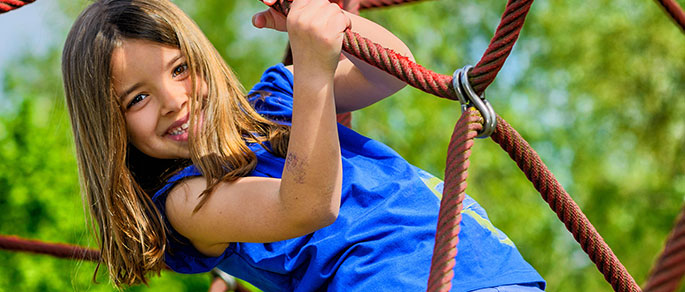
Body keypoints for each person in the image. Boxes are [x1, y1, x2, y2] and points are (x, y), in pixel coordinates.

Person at [61, 0, 546, 291]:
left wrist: (322, 20)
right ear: (110, 129)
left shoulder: (273, 99)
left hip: (488, 266)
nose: (173, 101)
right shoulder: (186, 201)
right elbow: (309, 205)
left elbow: (392, 67)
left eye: (180, 68)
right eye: (137, 98)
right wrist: (313, 72)